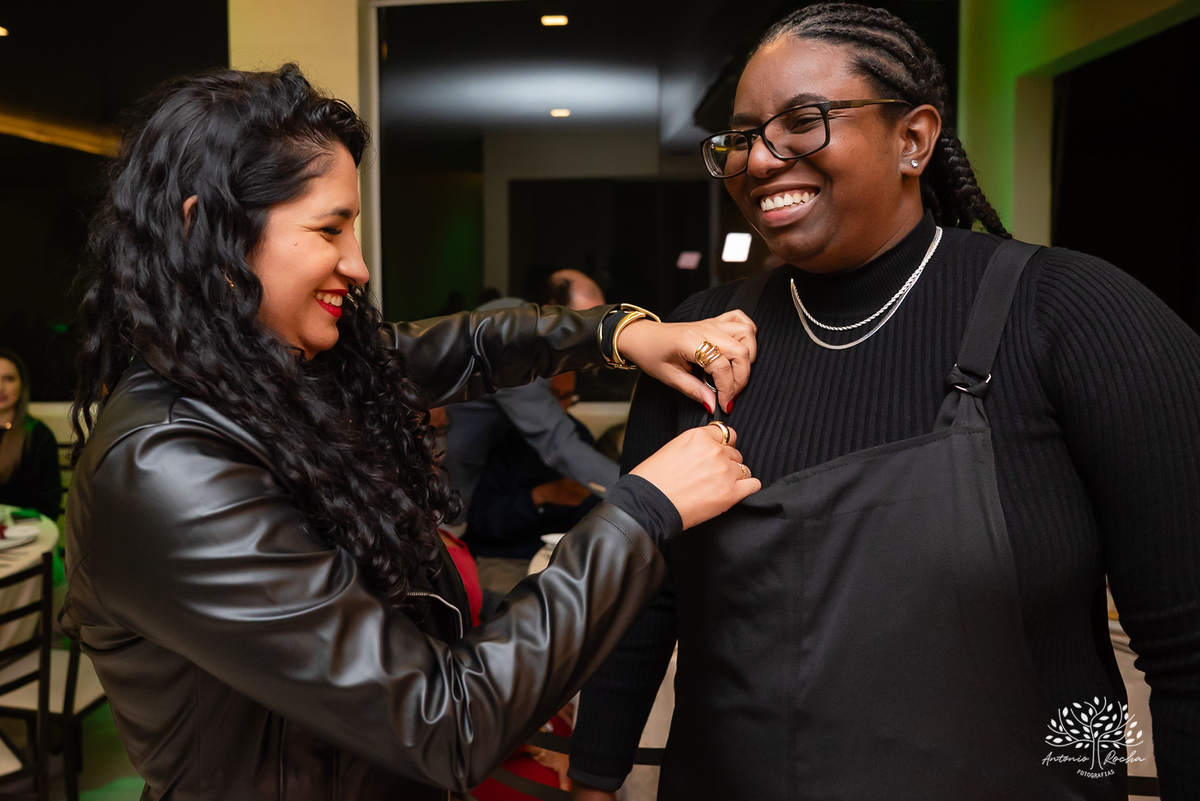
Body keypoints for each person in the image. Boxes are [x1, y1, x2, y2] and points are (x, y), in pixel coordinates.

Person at [59, 64, 762, 801]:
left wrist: (619, 332)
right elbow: (441, 719)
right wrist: (642, 510)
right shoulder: (162, 465)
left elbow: (466, 345)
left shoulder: (268, 373)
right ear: (208, 231)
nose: (357, 264)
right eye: (330, 228)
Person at [569, 4, 1200, 800]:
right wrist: (595, 776)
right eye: (741, 136)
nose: (760, 160)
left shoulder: (1073, 314)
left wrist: (1093, 770)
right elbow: (648, 595)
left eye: (803, 121)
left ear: (915, 138)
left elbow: (1184, 649)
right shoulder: (703, 340)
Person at [445, 269, 620, 517]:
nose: (591, 340)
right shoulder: (513, 344)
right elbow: (559, 444)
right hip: (442, 471)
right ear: (552, 310)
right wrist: (638, 493)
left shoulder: (519, 320)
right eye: (583, 325)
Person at [0, 348, 63, 520]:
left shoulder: (39, 436)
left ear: (22, 384)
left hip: (25, 537)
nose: (1, 387)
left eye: (9, 379)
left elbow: (48, 507)